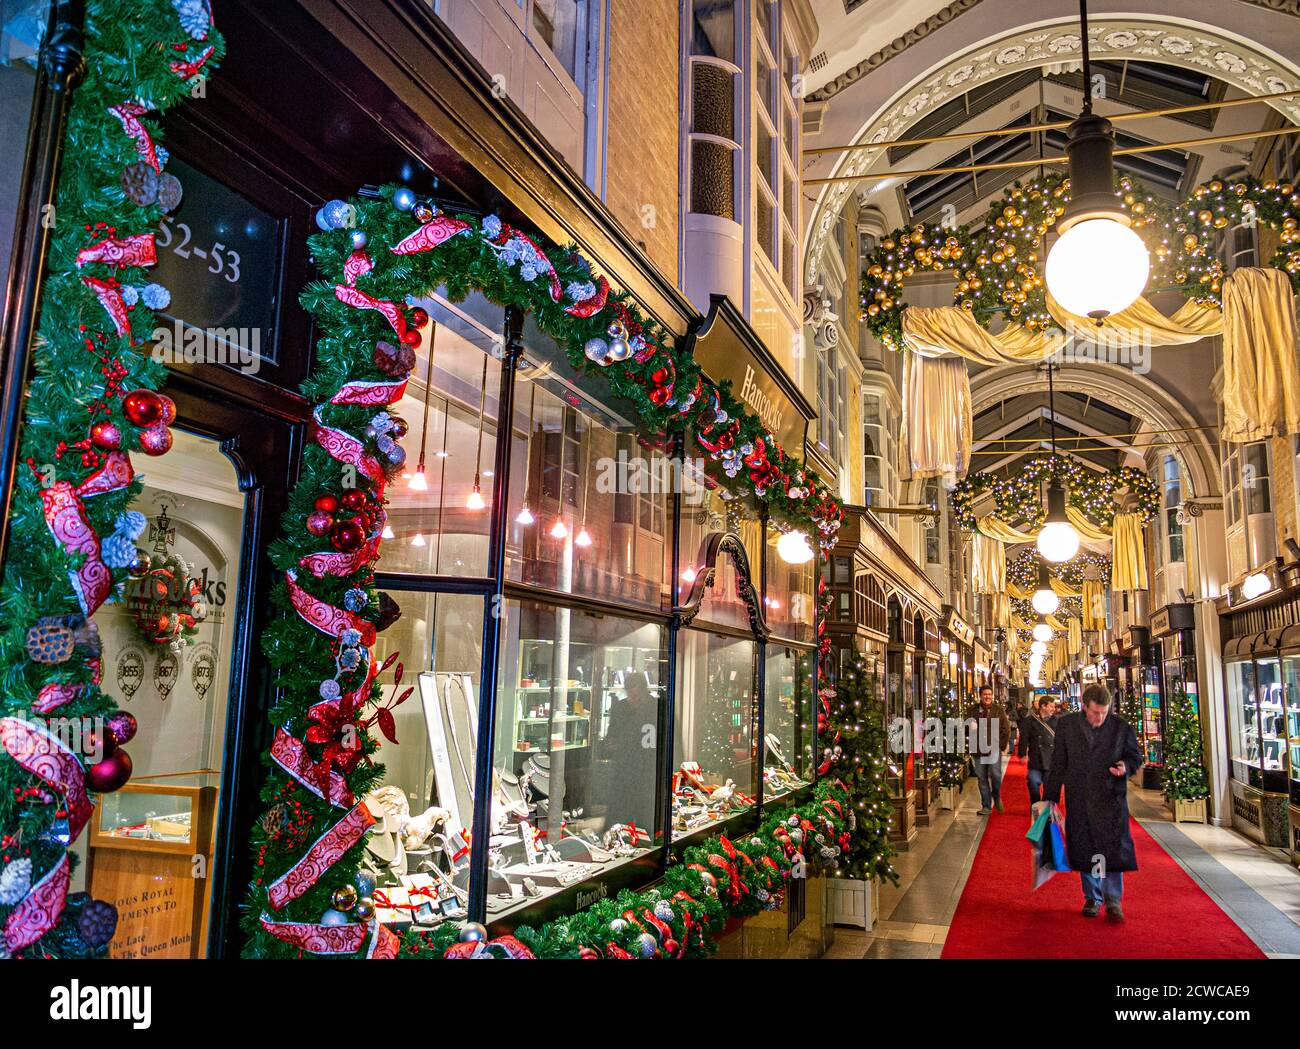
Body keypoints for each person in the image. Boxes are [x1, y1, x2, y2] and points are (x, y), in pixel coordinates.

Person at [1042, 683, 1141, 921]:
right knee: (1086, 847)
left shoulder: (1120, 727)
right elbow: (1058, 764)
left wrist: (1125, 767)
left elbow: (1134, 756)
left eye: (1103, 713)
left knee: (1111, 849)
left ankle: (1113, 899)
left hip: (1110, 799)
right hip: (1081, 798)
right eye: (1095, 712)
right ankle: (1092, 897)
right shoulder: (1067, 726)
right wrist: (1051, 798)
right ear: (1084, 707)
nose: (1099, 717)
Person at [969, 685, 1010, 815]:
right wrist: (970, 726)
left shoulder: (998, 710)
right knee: (982, 778)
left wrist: (1001, 745)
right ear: (980, 695)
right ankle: (986, 806)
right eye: (985, 694)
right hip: (978, 749)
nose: (988, 696)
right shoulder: (972, 710)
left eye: (989, 694)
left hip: (994, 748)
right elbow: (965, 726)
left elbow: (1006, 728)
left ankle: (996, 795)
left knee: (995, 774)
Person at [1018, 695, 1058, 804]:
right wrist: (1022, 754)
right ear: (1043, 706)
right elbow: (1024, 738)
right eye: (1051, 706)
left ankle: (1047, 811)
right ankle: (1035, 805)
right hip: (1035, 758)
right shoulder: (1030, 720)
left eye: (1054, 707)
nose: (1053, 709)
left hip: (1051, 760)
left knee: (1049, 788)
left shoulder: (1057, 721)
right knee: (1033, 783)